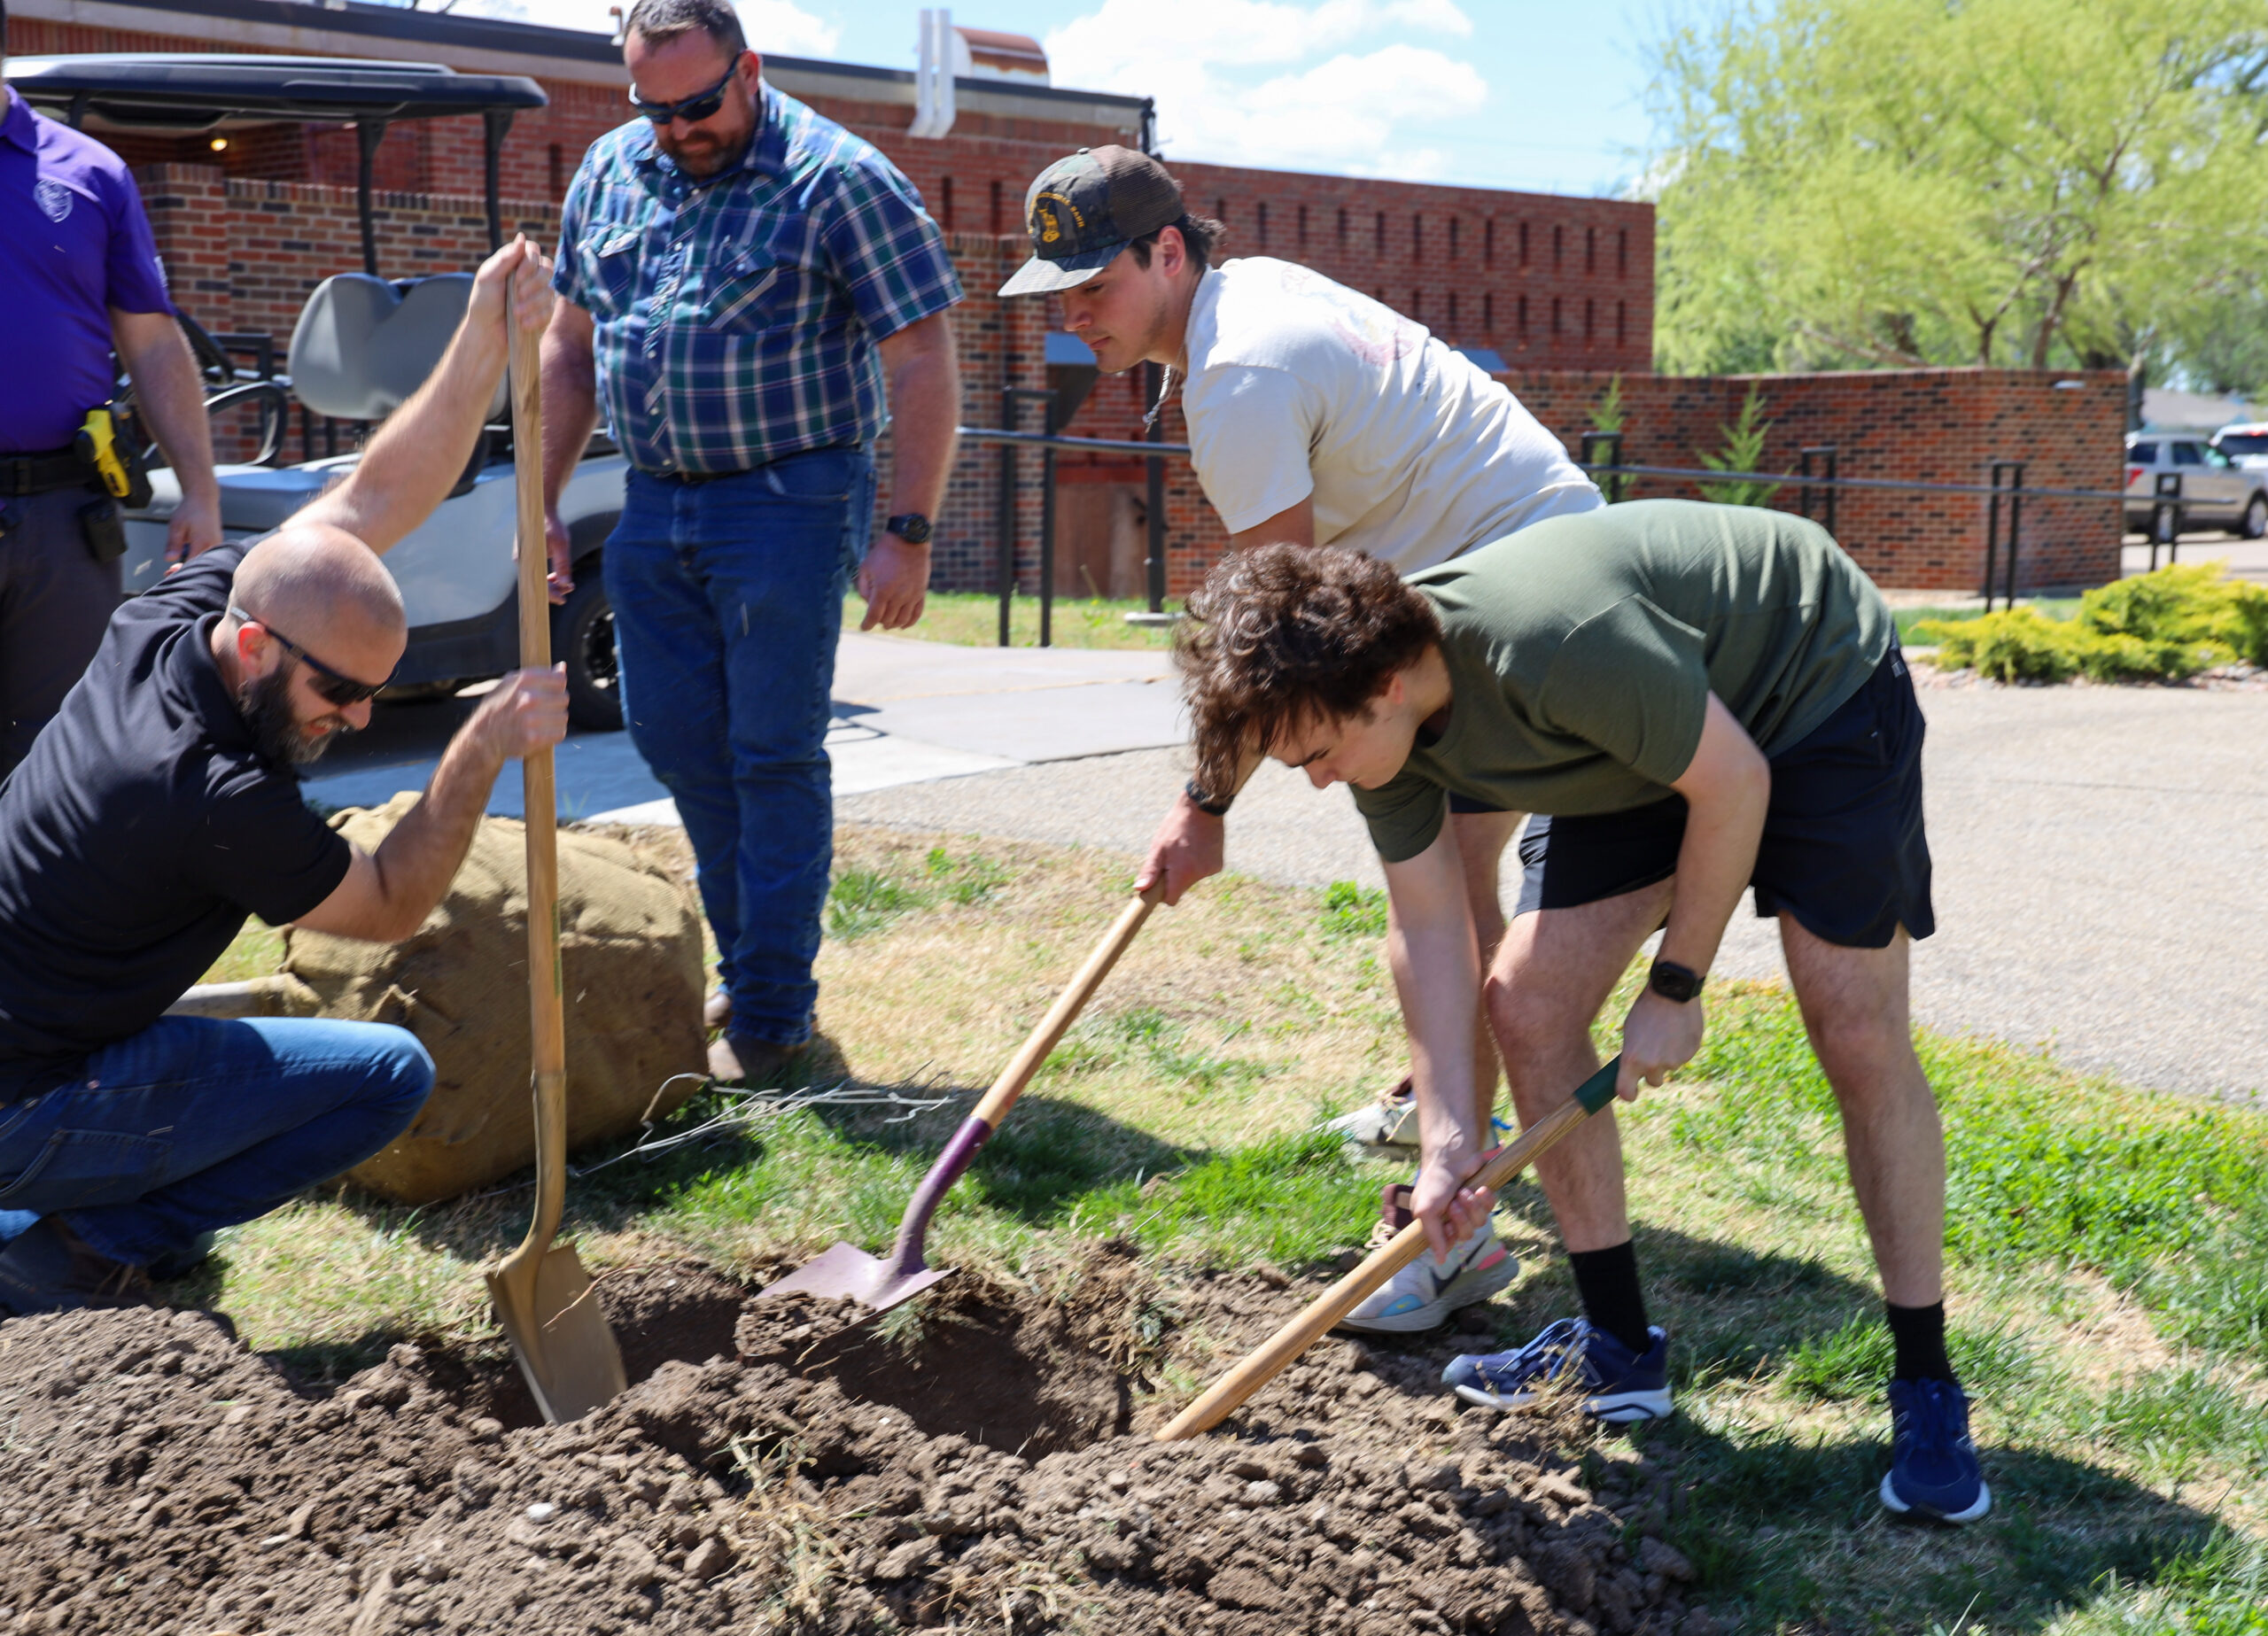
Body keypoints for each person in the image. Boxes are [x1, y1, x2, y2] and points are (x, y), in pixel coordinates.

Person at [1175, 500, 1988, 1524]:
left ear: (1382, 685)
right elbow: (1431, 928)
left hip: (1807, 676)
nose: (1319, 778)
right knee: (1526, 1000)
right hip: (1649, 731)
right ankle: (1616, 1348)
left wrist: (1676, 986)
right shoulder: (1382, 729)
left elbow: (1732, 783)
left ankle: (1926, 1382)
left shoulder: (1551, 641)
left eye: (1317, 753)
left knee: (1854, 1026)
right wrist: (1445, 1140)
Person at [997, 143, 1601, 1330]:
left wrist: (1205, 805)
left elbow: (1279, 636)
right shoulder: (1249, 301)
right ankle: (1445, 1114)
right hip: (1514, 563)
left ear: (1166, 252)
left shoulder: (1238, 377)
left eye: (1093, 285)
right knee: (1451, 887)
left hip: (1509, 591)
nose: (1074, 318)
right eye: (1056, 295)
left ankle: (1452, 1216)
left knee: (1428, 897)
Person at [0, 239, 566, 1316]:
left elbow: (370, 496)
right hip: (22, 1094)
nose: (355, 719)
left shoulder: (180, 613)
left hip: (28, 1035)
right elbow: (393, 904)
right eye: (341, 692)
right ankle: (70, 1251)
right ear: (258, 648)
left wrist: (484, 340)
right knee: (383, 1075)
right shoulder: (206, 793)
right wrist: (479, 747)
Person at [541, 0, 963, 1085]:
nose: (679, 128)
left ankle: (774, 1015)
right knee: (674, 739)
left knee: (771, 752)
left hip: (791, 498)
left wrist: (904, 531)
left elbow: (920, 358)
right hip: (651, 499)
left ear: (749, 69)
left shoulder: (839, 177)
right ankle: (751, 964)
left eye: (698, 104)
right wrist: (537, 496)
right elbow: (568, 348)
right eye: (655, 108)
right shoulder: (609, 171)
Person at [1, 43, 222, 779]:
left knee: (61, 760)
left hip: (67, 521)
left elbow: (153, 344)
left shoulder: (91, 173)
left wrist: (200, 489)